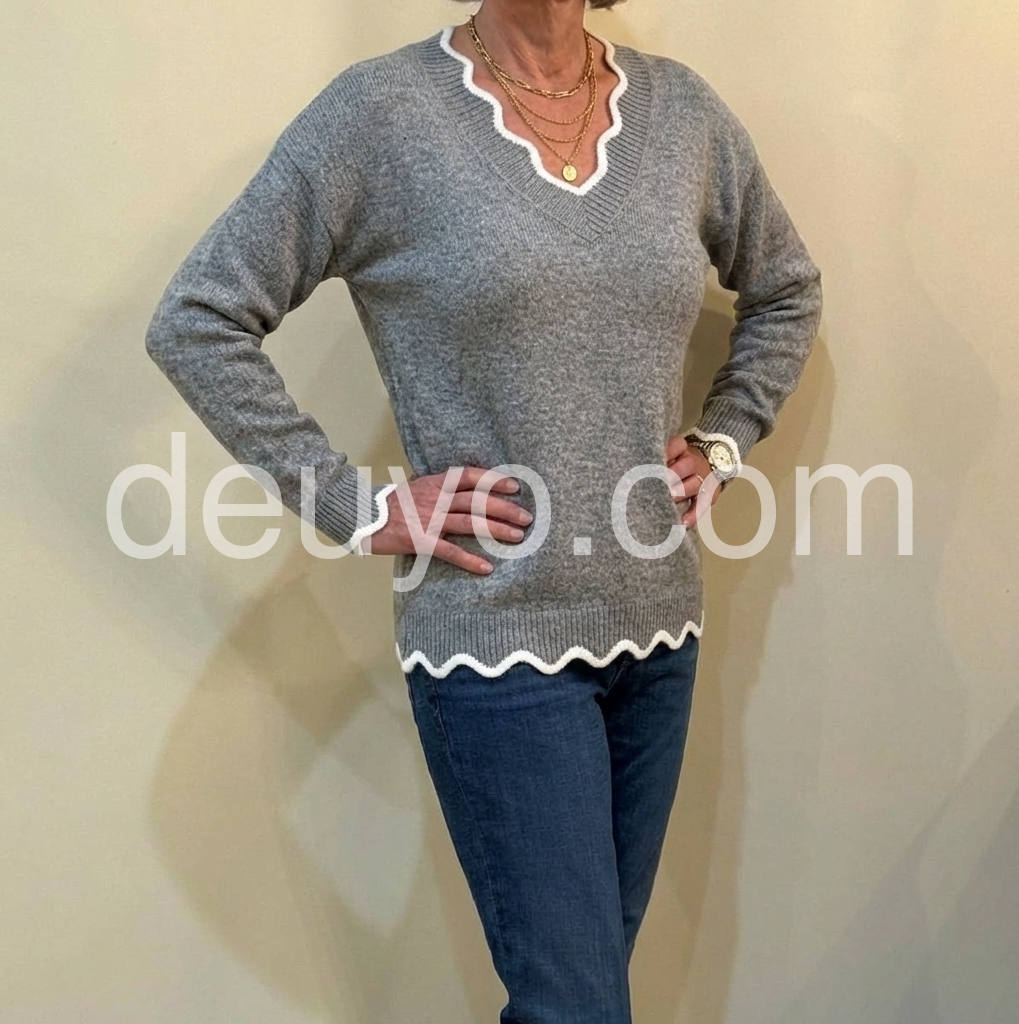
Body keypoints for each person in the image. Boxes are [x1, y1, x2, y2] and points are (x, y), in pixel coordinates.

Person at [145, 0, 823, 1019]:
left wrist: (726, 434)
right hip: (495, 642)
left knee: (580, 994)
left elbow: (786, 287)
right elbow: (198, 318)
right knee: (577, 1005)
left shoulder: (682, 114)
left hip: (658, 632)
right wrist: (355, 505)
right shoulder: (381, 115)